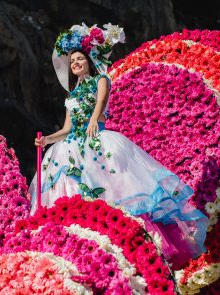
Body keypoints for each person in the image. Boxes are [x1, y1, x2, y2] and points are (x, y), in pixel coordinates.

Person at [28, 23, 209, 270]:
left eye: (80, 59)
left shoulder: (100, 80)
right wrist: (48, 140)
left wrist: (93, 118)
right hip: (71, 147)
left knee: (112, 189)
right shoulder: (72, 95)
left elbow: (101, 101)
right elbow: (67, 127)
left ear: (89, 61)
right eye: (72, 62)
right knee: (70, 189)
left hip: (98, 140)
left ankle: (131, 243)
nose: (76, 64)